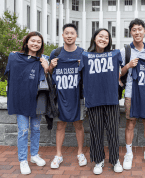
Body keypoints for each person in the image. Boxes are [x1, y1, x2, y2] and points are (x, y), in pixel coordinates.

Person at [79, 28, 123, 175]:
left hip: (111, 98)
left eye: (106, 37)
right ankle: (99, 160)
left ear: (109, 41)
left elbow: (121, 70)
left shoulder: (115, 54)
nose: (103, 39)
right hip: (93, 99)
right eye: (100, 36)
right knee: (96, 132)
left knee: (113, 131)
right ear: (94, 38)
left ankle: (115, 159)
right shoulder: (85, 55)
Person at [5, 32, 49, 175]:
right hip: (21, 99)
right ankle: (23, 160)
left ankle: (34, 155)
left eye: (39, 42)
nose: (36, 44)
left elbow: (50, 78)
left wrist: (47, 67)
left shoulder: (43, 59)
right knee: (23, 132)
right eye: (33, 41)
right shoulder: (14, 57)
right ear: (27, 42)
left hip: (38, 99)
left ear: (41, 45)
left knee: (36, 129)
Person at [120, 18, 145, 170]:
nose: (137, 32)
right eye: (134, 29)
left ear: (144, 31)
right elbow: (118, 73)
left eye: (140, 29)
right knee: (130, 123)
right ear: (130, 32)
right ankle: (128, 153)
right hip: (130, 93)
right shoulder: (125, 51)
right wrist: (128, 65)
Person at [49, 23, 87, 169]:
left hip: (78, 95)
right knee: (60, 124)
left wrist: (82, 66)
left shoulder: (83, 53)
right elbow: (52, 74)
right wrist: (51, 67)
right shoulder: (56, 53)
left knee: (79, 124)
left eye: (72, 33)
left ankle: (80, 153)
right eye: (66, 33)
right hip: (61, 95)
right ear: (63, 36)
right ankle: (58, 154)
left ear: (76, 35)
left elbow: (88, 75)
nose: (69, 35)